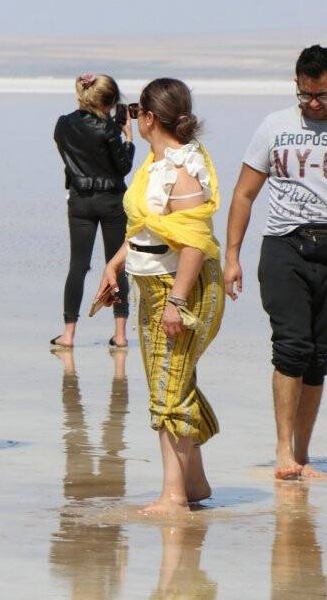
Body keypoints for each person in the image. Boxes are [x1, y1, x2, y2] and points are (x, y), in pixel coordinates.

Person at [223, 45, 327, 479]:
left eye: (322, 95)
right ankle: (283, 451)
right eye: (305, 95)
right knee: (292, 347)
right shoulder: (274, 126)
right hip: (285, 247)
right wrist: (232, 256)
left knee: (318, 355)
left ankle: (302, 454)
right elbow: (244, 193)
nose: (314, 104)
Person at [95, 78, 224, 515]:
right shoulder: (155, 162)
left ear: (149, 118)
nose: (134, 118)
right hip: (152, 287)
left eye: (136, 112)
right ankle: (194, 483)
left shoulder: (183, 169)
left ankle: (174, 495)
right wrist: (115, 263)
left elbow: (194, 244)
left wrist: (177, 302)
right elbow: (147, 229)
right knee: (169, 381)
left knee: (170, 389)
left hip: (182, 289)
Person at [50, 74, 134, 350]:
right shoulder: (109, 129)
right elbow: (123, 167)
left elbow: (68, 154)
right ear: (109, 103)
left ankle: (68, 334)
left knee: (78, 266)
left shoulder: (63, 124)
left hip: (80, 200)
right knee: (116, 264)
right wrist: (128, 137)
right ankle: (120, 334)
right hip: (111, 200)